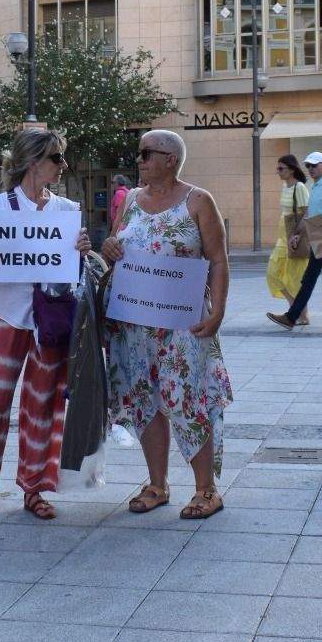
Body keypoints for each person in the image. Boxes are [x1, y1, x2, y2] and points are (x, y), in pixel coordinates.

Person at [0, 129, 91, 529]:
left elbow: (74, 269)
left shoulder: (66, 209)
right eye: (56, 158)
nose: (62, 166)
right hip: (8, 314)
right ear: (33, 162)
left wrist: (82, 248)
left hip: (52, 322)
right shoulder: (1, 204)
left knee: (42, 407)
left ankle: (34, 488)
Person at [103, 129, 232, 520]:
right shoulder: (132, 202)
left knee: (188, 400)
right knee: (145, 401)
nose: (139, 160)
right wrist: (108, 248)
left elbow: (219, 260)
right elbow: (115, 245)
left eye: (147, 153)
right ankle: (157, 484)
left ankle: (206, 489)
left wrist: (219, 309)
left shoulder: (198, 201)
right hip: (133, 324)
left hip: (181, 326)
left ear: (170, 159)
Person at [267, 151, 322, 330]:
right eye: (308, 166)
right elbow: (308, 215)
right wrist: (296, 233)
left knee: (311, 279)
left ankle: (292, 316)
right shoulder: (316, 186)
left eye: (314, 165)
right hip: (317, 238)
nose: (311, 169)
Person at [264, 154, 310, 322]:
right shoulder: (286, 187)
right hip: (283, 238)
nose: (278, 172)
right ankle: (295, 310)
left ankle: (301, 315)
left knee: (295, 278)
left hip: (295, 238)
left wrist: (296, 235)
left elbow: (307, 213)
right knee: (273, 273)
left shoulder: (300, 188)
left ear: (291, 169)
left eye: (281, 168)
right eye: (277, 168)